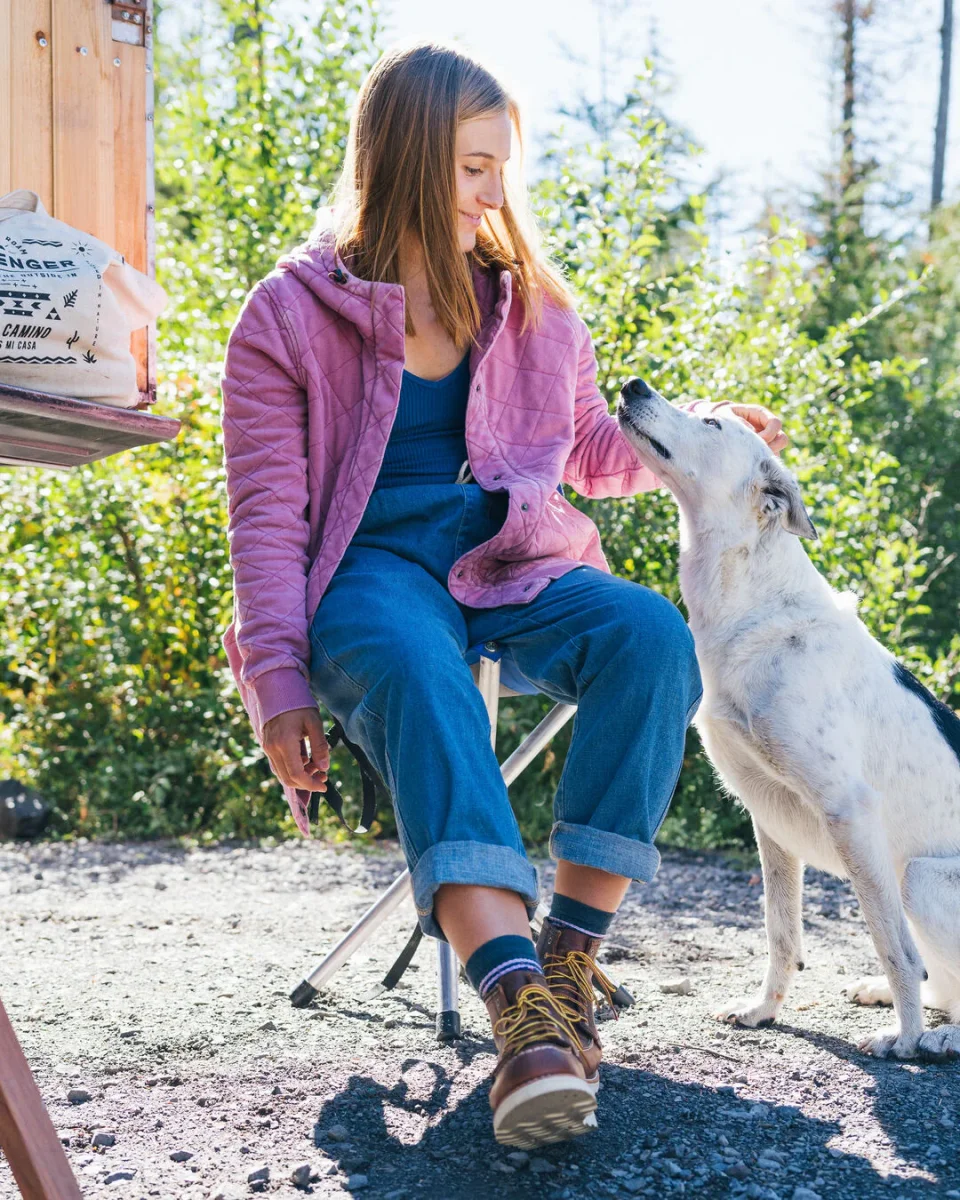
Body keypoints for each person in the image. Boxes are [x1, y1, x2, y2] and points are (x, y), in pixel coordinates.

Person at [219, 41, 788, 1149]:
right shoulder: (287, 316)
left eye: (500, 168)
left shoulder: (534, 306)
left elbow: (588, 449)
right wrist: (277, 684)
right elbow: (267, 521)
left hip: (514, 560)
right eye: (473, 167)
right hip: (373, 578)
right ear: (404, 158)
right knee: (416, 668)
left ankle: (564, 970)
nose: (493, 194)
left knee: (648, 637)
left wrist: (711, 432)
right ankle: (516, 1008)